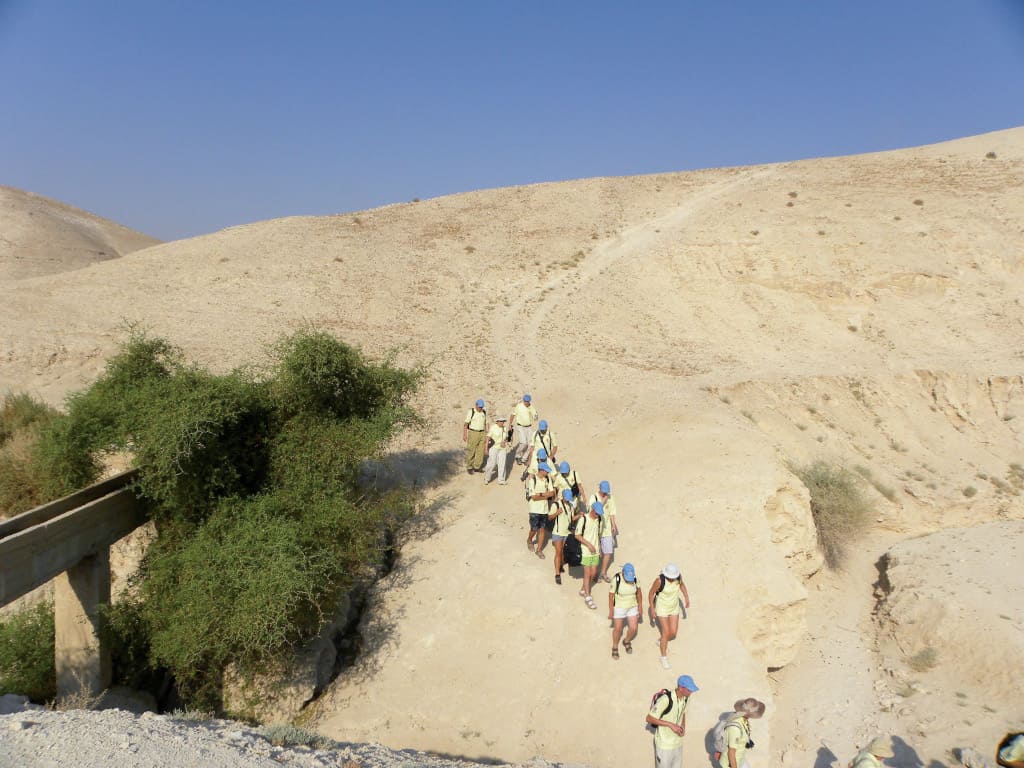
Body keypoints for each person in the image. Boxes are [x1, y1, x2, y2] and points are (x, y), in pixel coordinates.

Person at [646, 674, 698, 768]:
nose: (691, 692)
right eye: (689, 690)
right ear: (681, 688)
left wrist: (683, 726)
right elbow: (649, 718)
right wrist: (670, 725)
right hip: (664, 746)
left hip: (678, 743)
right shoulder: (666, 699)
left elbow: (683, 712)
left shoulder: (687, 698)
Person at [648, 563, 690, 669]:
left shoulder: (678, 577)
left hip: (674, 607)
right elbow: (651, 593)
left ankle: (661, 640)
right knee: (666, 632)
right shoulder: (659, 581)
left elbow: (682, 585)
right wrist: (652, 609)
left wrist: (686, 597)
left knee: (673, 633)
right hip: (662, 608)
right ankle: (663, 657)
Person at [717, 698, 766, 768]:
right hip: (731, 763)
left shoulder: (741, 718)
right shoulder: (735, 729)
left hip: (740, 758)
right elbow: (731, 753)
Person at [608, 562, 642, 659]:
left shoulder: (635, 579)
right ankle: (615, 646)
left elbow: (639, 593)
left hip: (632, 606)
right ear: (623, 572)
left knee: (633, 628)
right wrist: (611, 610)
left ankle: (626, 640)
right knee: (618, 629)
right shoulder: (616, 579)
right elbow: (611, 596)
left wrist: (640, 606)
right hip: (619, 607)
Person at [549, 488, 582, 584]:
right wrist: (556, 513)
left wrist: (579, 516)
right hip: (558, 533)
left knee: (564, 553)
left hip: (567, 533)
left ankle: (560, 565)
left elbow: (571, 519)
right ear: (563, 496)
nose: (568, 500)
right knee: (558, 552)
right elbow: (549, 517)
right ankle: (557, 574)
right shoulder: (556, 505)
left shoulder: (571, 506)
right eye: (567, 498)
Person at [589, 480, 619, 582]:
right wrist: (603, 501)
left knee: (608, 552)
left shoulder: (610, 497)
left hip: (606, 529)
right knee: (596, 553)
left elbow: (611, 512)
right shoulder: (593, 497)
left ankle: (603, 573)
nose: (606, 493)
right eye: (604, 491)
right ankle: (594, 574)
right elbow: (592, 511)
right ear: (600, 489)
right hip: (595, 529)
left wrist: (613, 525)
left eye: (607, 491)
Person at [575, 500, 603, 609]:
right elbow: (577, 535)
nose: (597, 515)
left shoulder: (598, 520)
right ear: (593, 509)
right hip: (586, 551)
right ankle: (588, 596)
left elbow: (597, 535)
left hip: (595, 551)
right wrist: (589, 545)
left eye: (599, 514)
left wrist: (599, 549)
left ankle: (583, 589)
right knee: (587, 574)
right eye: (596, 513)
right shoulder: (584, 519)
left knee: (593, 573)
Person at [526, 462, 556, 557]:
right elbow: (533, 497)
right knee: (534, 529)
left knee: (542, 529)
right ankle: (529, 540)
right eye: (546, 471)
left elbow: (552, 493)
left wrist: (540, 494)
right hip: (534, 509)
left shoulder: (548, 479)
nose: (547, 473)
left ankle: (539, 550)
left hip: (544, 509)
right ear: (541, 470)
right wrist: (545, 495)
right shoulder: (532, 480)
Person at [481, 414, 510, 485]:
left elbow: (506, 438)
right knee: (492, 463)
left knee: (502, 464)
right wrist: (486, 449)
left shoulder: (504, 428)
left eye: (503, 421)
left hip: (502, 448)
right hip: (494, 448)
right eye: (501, 421)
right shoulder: (493, 428)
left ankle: (501, 480)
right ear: (497, 421)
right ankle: (487, 478)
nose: (502, 422)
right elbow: (488, 438)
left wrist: (504, 442)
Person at [510, 393, 538, 465]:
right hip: (520, 426)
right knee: (523, 443)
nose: (526, 403)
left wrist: (536, 416)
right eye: (525, 401)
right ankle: (518, 456)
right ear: (523, 400)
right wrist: (510, 424)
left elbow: (535, 417)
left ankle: (524, 458)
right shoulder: (519, 406)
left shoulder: (531, 407)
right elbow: (513, 414)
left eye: (527, 401)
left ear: (529, 401)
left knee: (531, 444)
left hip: (529, 427)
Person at [462, 399, 488, 473]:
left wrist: (487, 433)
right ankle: (469, 467)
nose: (480, 408)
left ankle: (477, 467)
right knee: (471, 450)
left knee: (481, 451)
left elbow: (486, 423)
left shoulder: (484, 412)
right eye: (479, 407)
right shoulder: (471, 412)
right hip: (473, 432)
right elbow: (466, 424)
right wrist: (465, 434)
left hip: (482, 432)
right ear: (476, 405)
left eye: (481, 407)